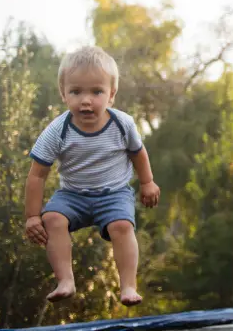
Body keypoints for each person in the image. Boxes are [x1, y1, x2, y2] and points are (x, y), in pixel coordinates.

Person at [23, 46, 160, 305]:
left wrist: (147, 182)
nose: (86, 100)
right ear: (64, 94)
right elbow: (37, 175)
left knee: (121, 226)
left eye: (96, 92)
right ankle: (65, 280)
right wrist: (32, 216)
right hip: (73, 194)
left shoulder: (122, 124)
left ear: (111, 95)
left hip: (114, 193)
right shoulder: (57, 130)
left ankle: (128, 287)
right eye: (76, 92)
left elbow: (138, 153)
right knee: (52, 218)